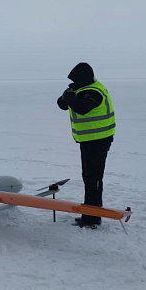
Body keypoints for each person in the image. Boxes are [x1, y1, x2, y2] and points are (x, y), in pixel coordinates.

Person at [57, 63, 115, 228]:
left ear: (83, 79)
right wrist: (68, 95)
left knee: (94, 178)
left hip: (99, 140)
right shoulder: (82, 90)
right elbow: (62, 105)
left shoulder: (94, 92)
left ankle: (92, 217)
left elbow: (82, 108)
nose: (73, 83)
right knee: (89, 177)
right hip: (90, 140)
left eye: (75, 80)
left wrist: (69, 96)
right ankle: (91, 214)